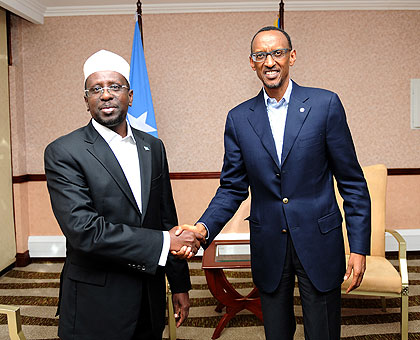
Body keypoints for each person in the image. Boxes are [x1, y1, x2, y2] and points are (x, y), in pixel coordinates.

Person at [175, 26, 371, 339]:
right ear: (251, 63)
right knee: (277, 333)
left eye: (277, 52)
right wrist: (202, 228)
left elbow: (353, 184)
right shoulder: (239, 118)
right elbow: (232, 187)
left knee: (323, 331)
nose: (270, 61)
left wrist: (360, 249)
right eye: (261, 55)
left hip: (320, 240)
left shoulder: (325, 105)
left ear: (291, 56)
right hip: (269, 244)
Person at [44, 50, 203, 340]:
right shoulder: (64, 152)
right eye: (96, 89)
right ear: (86, 100)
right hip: (97, 302)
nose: (106, 95)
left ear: (130, 95)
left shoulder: (153, 147)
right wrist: (167, 241)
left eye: (114, 87)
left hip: (148, 296)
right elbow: (84, 230)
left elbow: (165, 215)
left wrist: (179, 283)